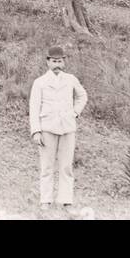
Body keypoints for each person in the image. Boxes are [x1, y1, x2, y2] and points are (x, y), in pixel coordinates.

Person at [28, 43, 88, 215]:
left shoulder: (71, 79)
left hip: (67, 128)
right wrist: (36, 131)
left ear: (64, 62)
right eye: (53, 61)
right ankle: (45, 200)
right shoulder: (39, 82)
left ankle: (66, 200)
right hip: (47, 128)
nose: (57, 65)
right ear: (47, 62)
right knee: (46, 166)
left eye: (60, 61)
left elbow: (82, 96)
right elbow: (34, 108)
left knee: (66, 166)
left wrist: (75, 113)